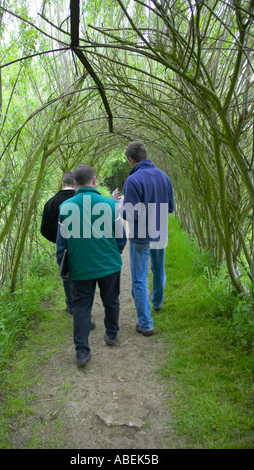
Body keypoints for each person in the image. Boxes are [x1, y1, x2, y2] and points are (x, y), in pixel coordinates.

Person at [56, 164, 126, 367]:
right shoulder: (111, 206)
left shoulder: (65, 208)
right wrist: (115, 253)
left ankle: (82, 352)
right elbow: (121, 239)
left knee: (81, 307)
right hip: (109, 265)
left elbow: (62, 244)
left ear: (75, 184)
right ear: (94, 181)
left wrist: (64, 266)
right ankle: (111, 334)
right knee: (111, 301)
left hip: (79, 267)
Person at [112, 142, 175, 337]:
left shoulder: (133, 180)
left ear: (131, 160)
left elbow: (130, 214)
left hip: (141, 235)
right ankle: (156, 302)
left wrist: (119, 205)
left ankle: (146, 324)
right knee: (158, 270)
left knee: (139, 279)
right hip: (160, 232)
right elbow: (171, 208)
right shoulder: (165, 177)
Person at [40, 171, 76, 315]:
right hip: (81, 243)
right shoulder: (80, 200)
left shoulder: (50, 202)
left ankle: (70, 304)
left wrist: (56, 239)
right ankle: (81, 304)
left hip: (62, 245)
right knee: (81, 274)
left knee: (66, 274)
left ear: (63, 184)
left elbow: (44, 229)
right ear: (76, 184)